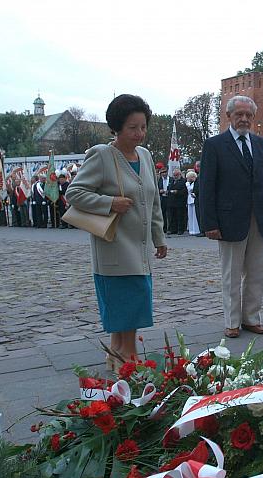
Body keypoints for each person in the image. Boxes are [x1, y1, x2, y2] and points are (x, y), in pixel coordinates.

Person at [66, 94, 167, 371]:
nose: (140, 133)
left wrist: (159, 238)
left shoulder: (145, 156)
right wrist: (110, 203)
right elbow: (74, 193)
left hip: (140, 249)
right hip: (113, 247)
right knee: (126, 306)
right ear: (116, 127)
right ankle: (128, 359)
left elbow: (153, 201)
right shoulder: (101, 155)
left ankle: (117, 355)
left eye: (143, 126)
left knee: (134, 303)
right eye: (133, 127)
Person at [198, 95, 263, 339]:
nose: (244, 119)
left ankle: (252, 318)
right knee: (231, 273)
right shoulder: (215, 145)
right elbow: (207, 186)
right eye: (239, 114)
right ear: (229, 116)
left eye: (248, 115)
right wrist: (210, 223)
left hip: (259, 218)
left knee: (256, 272)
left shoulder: (261, 144)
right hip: (229, 220)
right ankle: (232, 321)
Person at [166, 168, 188, 235]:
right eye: (174, 175)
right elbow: (168, 189)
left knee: (180, 216)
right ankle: (173, 229)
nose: (175, 176)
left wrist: (177, 192)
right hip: (171, 202)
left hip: (180, 202)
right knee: (172, 217)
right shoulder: (171, 181)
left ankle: (180, 229)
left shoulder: (184, 181)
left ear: (180, 174)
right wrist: (169, 191)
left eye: (176, 175)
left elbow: (185, 191)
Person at [186, 170, 200, 236]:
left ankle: (196, 230)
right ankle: (191, 229)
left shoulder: (195, 182)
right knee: (190, 215)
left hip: (194, 199)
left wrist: (188, 185)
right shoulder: (189, 183)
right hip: (189, 199)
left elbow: (191, 189)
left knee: (195, 215)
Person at [157, 166, 169, 233]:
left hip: (169, 198)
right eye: (162, 173)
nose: (164, 174)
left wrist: (169, 191)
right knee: (163, 214)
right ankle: (164, 228)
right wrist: (160, 191)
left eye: (165, 172)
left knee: (169, 214)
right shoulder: (159, 180)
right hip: (162, 198)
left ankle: (170, 228)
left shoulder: (171, 179)